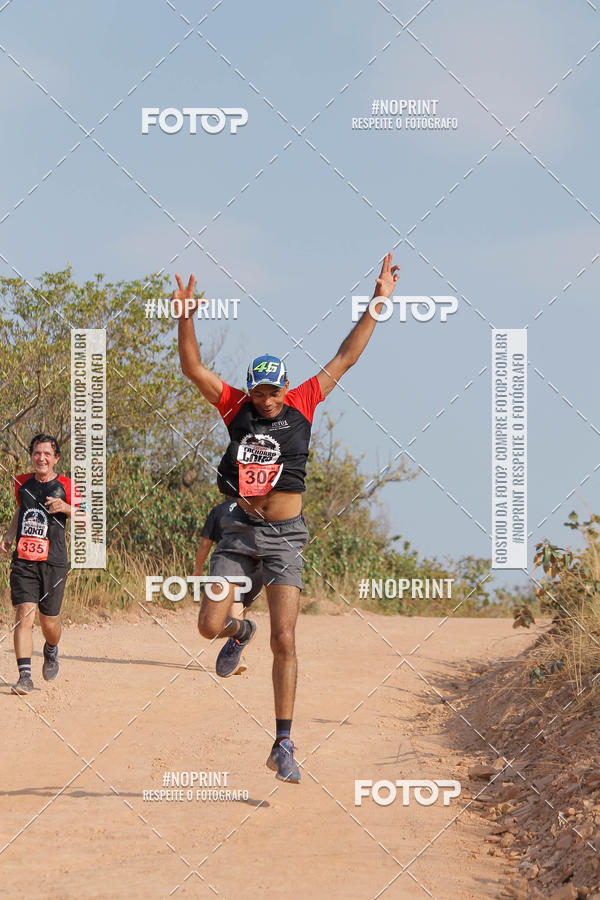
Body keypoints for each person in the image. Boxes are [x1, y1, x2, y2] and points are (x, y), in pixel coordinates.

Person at [176, 252, 399, 783]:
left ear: (285, 387)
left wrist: (378, 303)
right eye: (261, 391)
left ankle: (282, 742)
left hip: (285, 538)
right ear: (251, 390)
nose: (269, 399)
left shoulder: (304, 400)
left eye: (275, 390)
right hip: (237, 531)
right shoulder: (235, 407)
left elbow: (346, 355)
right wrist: (185, 317)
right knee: (209, 625)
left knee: (287, 641)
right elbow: (194, 369)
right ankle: (238, 629)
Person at [1, 434, 85, 694]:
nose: (42, 458)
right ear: (31, 455)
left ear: (56, 458)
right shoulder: (22, 483)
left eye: (47, 454)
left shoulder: (67, 486)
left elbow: (87, 519)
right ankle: (24, 676)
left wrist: (66, 508)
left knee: (49, 623)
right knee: (24, 614)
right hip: (24, 560)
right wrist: (8, 535)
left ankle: (51, 649)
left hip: (54, 561)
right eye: (37, 453)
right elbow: (20, 510)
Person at [193, 499, 264, 676]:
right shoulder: (258, 507)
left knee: (235, 606)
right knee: (241, 610)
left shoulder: (219, 510)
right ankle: (240, 651)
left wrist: (198, 568)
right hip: (260, 567)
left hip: (233, 565)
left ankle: (239, 654)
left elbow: (205, 544)